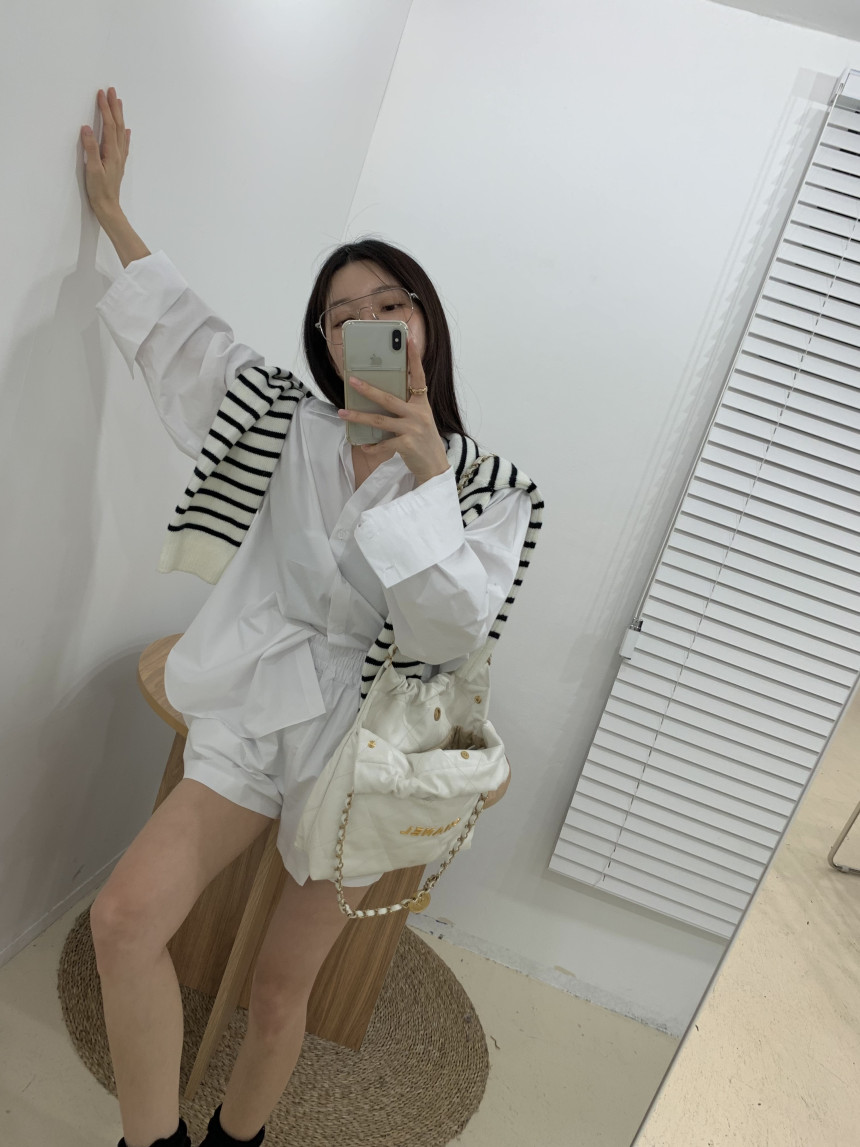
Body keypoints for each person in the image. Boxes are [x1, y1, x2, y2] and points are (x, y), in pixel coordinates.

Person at [80, 87, 534, 1147]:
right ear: (327, 342)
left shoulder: (488, 488)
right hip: (256, 703)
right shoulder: (282, 421)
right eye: (342, 315)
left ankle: (238, 1139)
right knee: (123, 918)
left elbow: (447, 634)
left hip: (367, 748)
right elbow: (188, 343)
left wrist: (427, 475)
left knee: (281, 990)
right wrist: (112, 215)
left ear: (422, 323)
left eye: (389, 303)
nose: (367, 323)